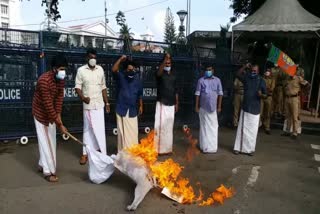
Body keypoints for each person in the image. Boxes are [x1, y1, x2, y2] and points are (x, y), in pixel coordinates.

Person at [32, 54, 68, 182]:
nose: (63, 72)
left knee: (49, 140)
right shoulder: (44, 81)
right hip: (41, 113)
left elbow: (58, 100)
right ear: (54, 69)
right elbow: (48, 105)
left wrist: (60, 122)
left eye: (65, 69)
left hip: (51, 113)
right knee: (47, 142)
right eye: (61, 69)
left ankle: (42, 164)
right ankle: (49, 172)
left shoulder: (61, 79)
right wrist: (60, 125)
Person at [75, 49, 110, 165]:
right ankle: (85, 154)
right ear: (86, 58)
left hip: (99, 104)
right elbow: (77, 87)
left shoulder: (100, 69)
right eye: (91, 57)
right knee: (88, 130)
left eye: (94, 57)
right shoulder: (81, 70)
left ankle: (100, 151)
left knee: (100, 129)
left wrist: (107, 103)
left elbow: (103, 87)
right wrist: (83, 98)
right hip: (88, 105)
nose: (93, 59)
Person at [233, 64, 267, 156]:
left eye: (255, 71)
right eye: (252, 70)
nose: (253, 72)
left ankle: (250, 150)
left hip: (255, 110)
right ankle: (238, 148)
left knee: (252, 131)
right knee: (242, 130)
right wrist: (244, 66)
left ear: (258, 71)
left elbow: (265, 95)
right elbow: (237, 74)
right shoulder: (247, 78)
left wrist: (261, 95)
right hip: (246, 108)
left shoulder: (261, 80)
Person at [112, 55, 143, 152]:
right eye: (129, 70)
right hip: (121, 108)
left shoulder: (137, 79)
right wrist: (121, 59)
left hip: (132, 110)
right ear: (125, 70)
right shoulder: (121, 76)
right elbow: (114, 69)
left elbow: (140, 94)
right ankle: (122, 154)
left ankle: (132, 153)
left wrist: (141, 105)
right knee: (121, 134)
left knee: (133, 133)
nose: (131, 71)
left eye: (133, 69)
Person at [154, 53, 178, 155]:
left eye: (169, 63)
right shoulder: (160, 73)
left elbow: (176, 90)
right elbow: (158, 73)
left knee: (169, 127)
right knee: (160, 127)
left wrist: (177, 103)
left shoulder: (174, 75)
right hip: (162, 103)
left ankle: (167, 149)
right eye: (166, 62)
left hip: (171, 104)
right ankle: (158, 149)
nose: (168, 64)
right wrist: (165, 59)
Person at [195, 65, 223, 153]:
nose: (208, 71)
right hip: (203, 108)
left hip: (213, 108)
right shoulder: (201, 80)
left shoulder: (218, 80)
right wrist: (196, 106)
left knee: (214, 127)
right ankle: (204, 147)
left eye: (210, 70)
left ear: (213, 70)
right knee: (204, 127)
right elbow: (197, 94)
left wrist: (219, 106)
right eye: (207, 70)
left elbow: (220, 94)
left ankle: (213, 148)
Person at [281, 73, 308, 139]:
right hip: (287, 98)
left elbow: (306, 85)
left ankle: (295, 132)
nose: (290, 73)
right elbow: (283, 88)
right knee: (288, 116)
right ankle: (287, 131)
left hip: (295, 99)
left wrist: (303, 91)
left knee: (294, 116)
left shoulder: (298, 78)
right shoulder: (287, 79)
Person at [260, 68, 275, 134]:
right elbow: (259, 87)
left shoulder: (272, 80)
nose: (267, 72)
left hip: (269, 97)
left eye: (268, 71)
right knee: (260, 112)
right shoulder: (261, 79)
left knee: (268, 113)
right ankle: (259, 125)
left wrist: (265, 89)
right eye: (266, 71)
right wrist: (265, 89)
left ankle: (267, 127)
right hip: (262, 97)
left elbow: (271, 89)